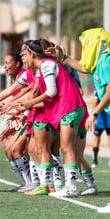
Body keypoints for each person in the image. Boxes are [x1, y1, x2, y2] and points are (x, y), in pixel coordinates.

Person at [46, 28, 110, 214]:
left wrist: (94, 113)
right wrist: (63, 56)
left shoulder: (107, 62)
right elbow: (84, 66)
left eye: (86, 43)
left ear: (96, 44)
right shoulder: (102, 61)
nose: (85, 47)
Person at [20, 39, 86, 197]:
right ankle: (56, 185)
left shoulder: (46, 64)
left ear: (32, 54)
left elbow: (51, 91)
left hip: (70, 107)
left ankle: (71, 186)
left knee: (66, 147)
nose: (23, 57)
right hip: (66, 108)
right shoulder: (44, 67)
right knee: (63, 148)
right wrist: (26, 111)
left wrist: (29, 103)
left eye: (24, 54)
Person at [0, 52, 37, 192]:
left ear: (18, 64)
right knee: (11, 151)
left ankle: (37, 183)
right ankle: (27, 183)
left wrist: (11, 106)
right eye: (4, 63)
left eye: (7, 63)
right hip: (22, 116)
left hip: (31, 116)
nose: (5, 66)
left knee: (22, 150)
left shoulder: (28, 74)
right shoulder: (17, 78)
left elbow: (30, 95)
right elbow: (11, 92)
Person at [91, 92, 110, 168]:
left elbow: (95, 102)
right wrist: (93, 116)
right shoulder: (99, 89)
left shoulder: (102, 87)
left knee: (109, 139)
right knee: (97, 139)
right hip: (100, 118)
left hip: (107, 117)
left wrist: (93, 115)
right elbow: (95, 102)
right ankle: (94, 160)